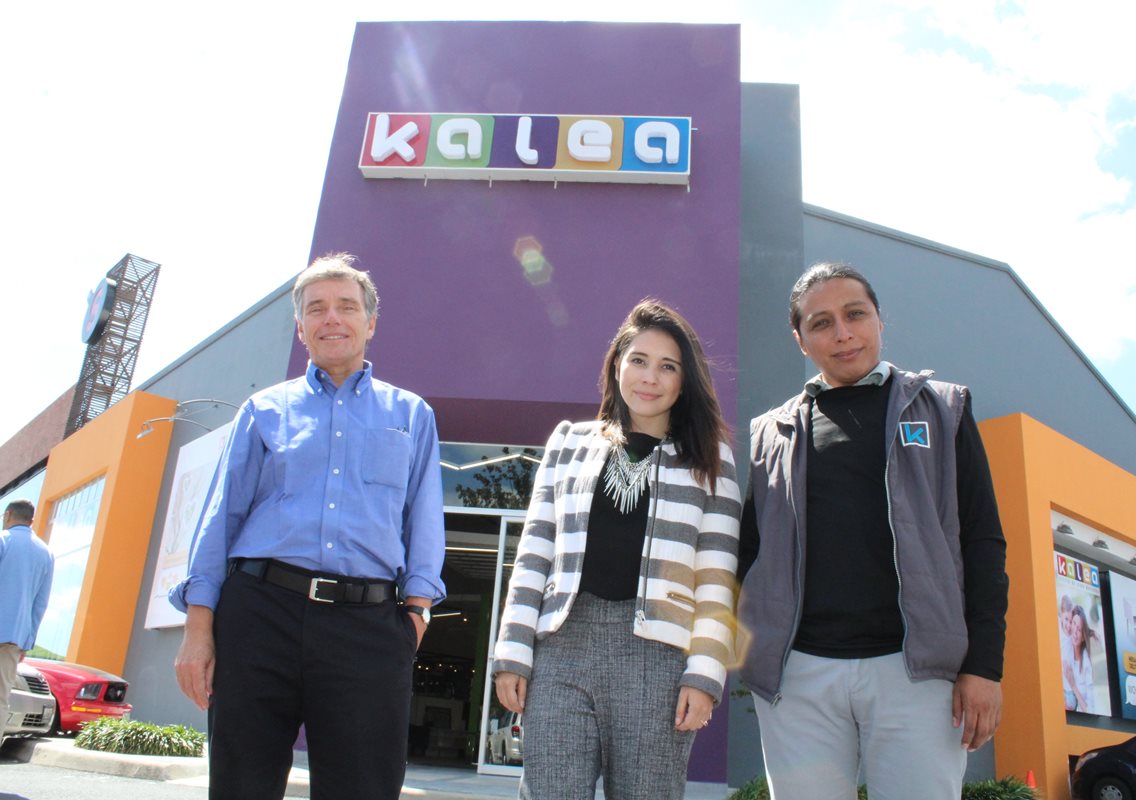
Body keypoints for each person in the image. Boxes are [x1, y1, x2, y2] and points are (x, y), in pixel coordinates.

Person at [170, 253, 446, 800]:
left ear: (371, 323)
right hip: (259, 615)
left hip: (367, 625)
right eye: (316, 308)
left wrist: (415, 614)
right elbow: (219, 520)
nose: (332, 318)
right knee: (241, 787)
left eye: (347, 306)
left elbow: (424, 523)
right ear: (301, 328)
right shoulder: (262, 410)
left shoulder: (412, 415)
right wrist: (198, 631)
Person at [736, 262, 1008, 800]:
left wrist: (984, 666)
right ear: (801, 340)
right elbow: (749, 552)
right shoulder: (772, 433)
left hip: (917, 672)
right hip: (799, 675)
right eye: (821, 323)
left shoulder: (944, 408)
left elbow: (982, 542)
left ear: (880, 320)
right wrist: (745, 653)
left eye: (855, 314)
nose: (842, 333)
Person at [492, 300, 741, 800]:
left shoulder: (710, 459)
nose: (650, 377)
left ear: (684, 381)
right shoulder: (568, 442)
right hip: (562, 650)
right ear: (616, 365)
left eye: (668, 366)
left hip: (659, 660)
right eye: (638, 360)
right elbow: (534, 552)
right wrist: (512, 653)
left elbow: (717, 577)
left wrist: (705, 675)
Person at [0, 500, 54, 749]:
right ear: (31, 520)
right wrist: (27, 641)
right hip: (14, 637)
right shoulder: (46, 553)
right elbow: (40, 603)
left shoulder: (3, 540)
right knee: (2, 697)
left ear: (8, 514)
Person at [1066, 605, 1096, 713]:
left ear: (1083, 637)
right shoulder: (1066, 645)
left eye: (1079, 629)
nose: (1075, 631)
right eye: (1074, 623)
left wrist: (1073, 686)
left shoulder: (1086, 665)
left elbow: (1090, 711)